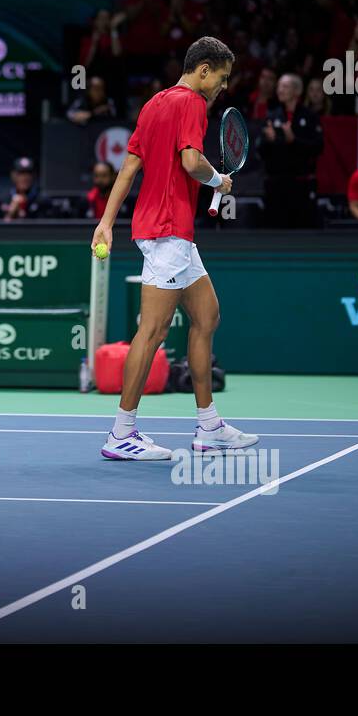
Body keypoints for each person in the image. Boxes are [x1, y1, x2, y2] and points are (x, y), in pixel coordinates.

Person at [90, 36, 259, 460]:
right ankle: (121, 433)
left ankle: (209, 427)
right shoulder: (191, 104)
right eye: (221, 79)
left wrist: (106, 222)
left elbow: (129, 168)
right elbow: (190, 161)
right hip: (167, 232)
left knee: (206, 316)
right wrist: (219, 180)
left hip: (170, 232)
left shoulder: (153, 104)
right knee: (152, 332)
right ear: (203, 70)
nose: (222, 88)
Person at [259, 73, 323, 228]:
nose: (280, 90)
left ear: (297, 91)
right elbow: (261, 151)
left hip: (300, 185)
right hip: (276, 185)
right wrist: (270, 141)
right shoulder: (272, 115)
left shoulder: (309, 117)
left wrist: (294, 141)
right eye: (279, 86)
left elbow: (318, 147)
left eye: (285, 86)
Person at [0, 156, 48, 220]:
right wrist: (11, 213)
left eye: (28, 173)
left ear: (34, 175)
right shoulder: (2, 199)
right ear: (13, 175)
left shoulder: (43, 200)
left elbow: (46, 228)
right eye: (21, 173)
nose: (25, 178)